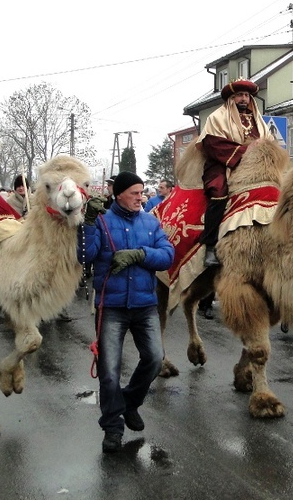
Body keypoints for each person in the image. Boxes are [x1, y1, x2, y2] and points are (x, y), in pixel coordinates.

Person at [83, 171, 174, 453]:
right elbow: (84, 256)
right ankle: (112, 428)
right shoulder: (101, 221)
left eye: (141, 192)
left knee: (155, 359)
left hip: (145, 304)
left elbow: (168, 255)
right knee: (109, 372)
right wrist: (86, 224)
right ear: (119, 194)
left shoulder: (150, 221)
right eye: (134, 193)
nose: (140, 197)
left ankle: (129, 402)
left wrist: (141, 254)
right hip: (111, 306)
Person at [197, 78, 271, 266]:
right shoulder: (217, 117)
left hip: (256, 167)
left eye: (246, 95)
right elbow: (213, 144)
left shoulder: (259, 121)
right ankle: (210, 246)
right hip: (222, 164)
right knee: (218, 192)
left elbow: (270, 144)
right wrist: (248, 152)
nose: (244, 99)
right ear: (231, 98)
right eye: (239, 95)